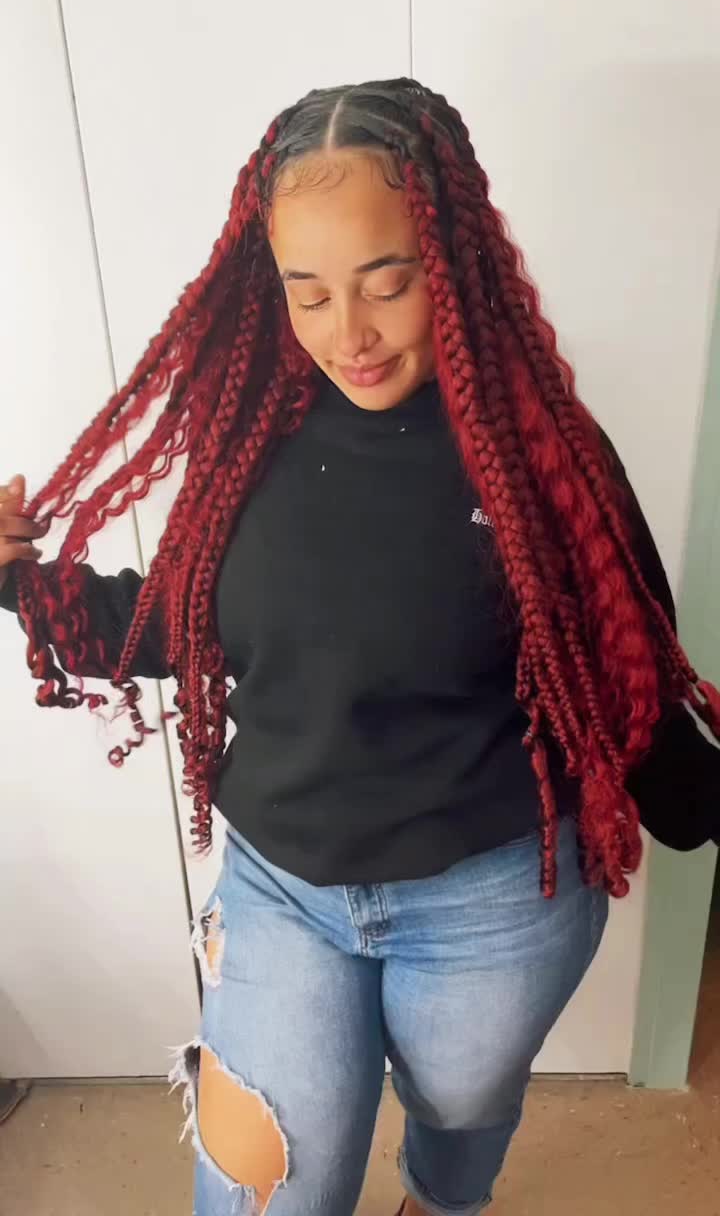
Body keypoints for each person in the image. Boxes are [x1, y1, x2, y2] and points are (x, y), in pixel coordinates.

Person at [1, 78, 719, 1216]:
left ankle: (440, 1201)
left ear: (454, 261)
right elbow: (174, 624)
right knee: (273, 1190)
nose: (352, 332)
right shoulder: (246, 443)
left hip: (495, 897)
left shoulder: (543, 461)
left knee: (460, 1113)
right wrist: (17, 582)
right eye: (310, 292)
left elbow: (628, 694)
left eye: (389, 282)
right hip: (284, 889)